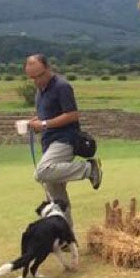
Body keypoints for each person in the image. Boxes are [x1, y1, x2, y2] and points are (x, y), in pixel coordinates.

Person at [24, 54, 102, 227]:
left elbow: (72, 114)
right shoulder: (40, 91)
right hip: (48, 141)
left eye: (39, 75)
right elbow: (47, 114)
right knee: (55, 195)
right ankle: (65, 236)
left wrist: (43, 124)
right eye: (32, 78)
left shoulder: (62, 86)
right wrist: (34, 122)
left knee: (42, 172)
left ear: (48, 69)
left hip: (65, 139)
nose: (36, 81)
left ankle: (89, 168)